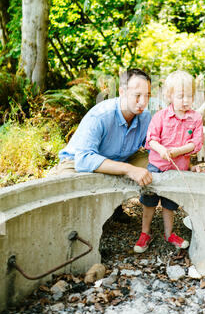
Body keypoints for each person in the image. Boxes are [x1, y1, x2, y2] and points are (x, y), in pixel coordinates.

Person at [48, 69, 153, 220]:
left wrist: (186, 165)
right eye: (137, 95)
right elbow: (83, 159)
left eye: (147, 95)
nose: (143, 102)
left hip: (118, 160)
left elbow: (154, 147)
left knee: (153, 162)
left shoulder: (145, 117)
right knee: (71, 206)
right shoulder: (101, 115)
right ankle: (92, 210)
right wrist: (129, 169)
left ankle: (115, 205)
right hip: (76, 162)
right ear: (122, 92)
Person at [134, 70, 204, 254]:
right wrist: (162, 150)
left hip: (177, 170)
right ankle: (145, 233)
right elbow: (151, 139)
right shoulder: (161, 116)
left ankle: (169, 233)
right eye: (181, 96)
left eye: (190, 96)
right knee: (149, 200)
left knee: (169, 203)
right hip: (157, 167)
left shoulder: (195, 118)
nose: (186, 101)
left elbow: (196, 143)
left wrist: (178, 151)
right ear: (169, 96)